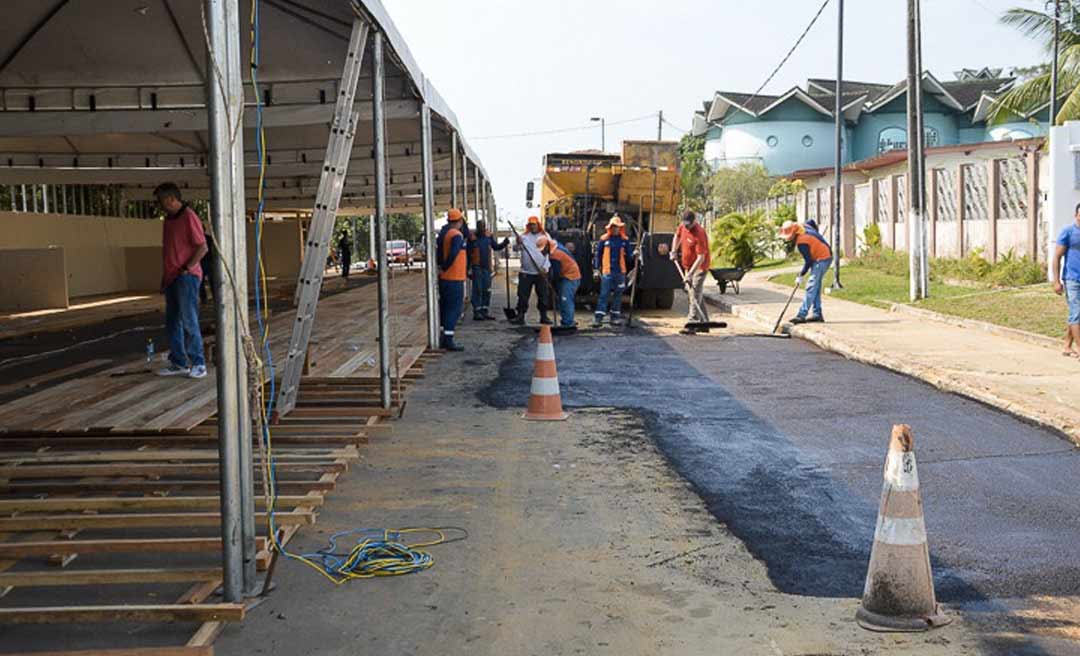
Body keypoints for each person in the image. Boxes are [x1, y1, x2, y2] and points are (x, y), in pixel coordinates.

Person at [154, 182, 208, 379]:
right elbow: (169, 251)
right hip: (172, 277)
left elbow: (202, 247)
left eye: (161, 201)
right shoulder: (169, 220)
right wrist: (165, 277)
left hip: (186, 277)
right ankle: (179, 361)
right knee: (172, 321)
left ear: (171, 199)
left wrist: (186, 268)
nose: (159, 205)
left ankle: (199, 363)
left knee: (189, 320)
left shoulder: (189, 217)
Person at [779, 220, 832, 324]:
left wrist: (801, 275)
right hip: (821, 255)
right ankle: (817, 314)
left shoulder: (802, 242)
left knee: (811, 286)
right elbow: (812, 222)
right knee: (815, 287)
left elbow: (808, 261)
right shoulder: (802, 226)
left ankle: (801, 315)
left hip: (822, 258)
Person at [671, 210, 712, 335]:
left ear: (695, 221)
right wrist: (674, 250)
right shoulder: (683, 226)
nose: (686, 227)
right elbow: (677, 236)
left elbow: (701, 258)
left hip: (700, 268)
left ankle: (692, 323)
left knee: (694, 294)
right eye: (685, 224)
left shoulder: (699, 233)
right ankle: (704, 323)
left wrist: (689, 274)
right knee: (695, 294)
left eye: (689, 224)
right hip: (687, 265)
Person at [592, 215, 635, 327]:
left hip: (620, 272)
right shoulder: (603, 240)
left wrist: (635, 254)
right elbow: (598, 255)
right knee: (604, 294)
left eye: (617, 227)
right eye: (614, 227)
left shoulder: (624, 241)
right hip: (607, 272)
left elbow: (629, 257)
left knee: (618, 294)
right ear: (610, 227)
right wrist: (596, 269)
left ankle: (615, 317)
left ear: (620, 228)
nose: (616, 229)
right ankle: (598, 318)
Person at [510, 216, 552, 325]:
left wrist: (545, 267)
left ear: (538, 225)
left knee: (543, 295)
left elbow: (550, 253)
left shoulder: (545, 236)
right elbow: (515, 249)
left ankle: (544, 316)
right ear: (528, 226)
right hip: (526, 272)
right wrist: (518, 243)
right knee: (523, 295)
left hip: (541, 272)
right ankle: (520, 316)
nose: (533, 226)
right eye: (531, 225)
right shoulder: (523, 237)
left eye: (534, 224)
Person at [436, 208, 468, 351]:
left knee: (445, 307)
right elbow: (454, 253)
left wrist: (442, 268)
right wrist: (446, 266)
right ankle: (448, 339)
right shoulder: (456, 235)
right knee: (453, 309)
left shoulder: (444, 234)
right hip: (454, 277)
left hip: (447, 278)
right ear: (460, 221)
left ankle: (444, 336)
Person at [467, 220, 509, 320]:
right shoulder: (472, 238)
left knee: (487, 289)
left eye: (483, 226)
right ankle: (477, 311)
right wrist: (468, 269)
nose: (482, 228)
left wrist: (504, 243)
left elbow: (496, 247)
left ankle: (484, 310)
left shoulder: (488, 237)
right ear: (477, 227)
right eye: (480, 226)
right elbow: (467, 254)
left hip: (486, 268)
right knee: (477, 289)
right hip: (476, 267)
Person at [1053, 203, 1080, 358]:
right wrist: (1056, 281)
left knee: (1075, 314)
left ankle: (1067, 346)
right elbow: (1057, 257)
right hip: (1072, 279)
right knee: (1076, 314)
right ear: (1076, 215)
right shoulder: (1068, 232)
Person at [540, 235, 582, 328]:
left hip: (571, 277)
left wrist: (552, 283)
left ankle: (568, 322)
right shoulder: (556, 245)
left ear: (547, 246)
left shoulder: (555, 254)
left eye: (542, 250)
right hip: (568, 275)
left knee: (565, 299)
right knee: (564, 300)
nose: (541, 252)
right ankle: (567, 320)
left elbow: (556, 273)